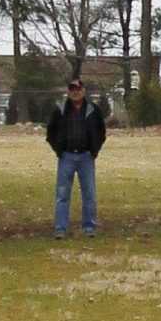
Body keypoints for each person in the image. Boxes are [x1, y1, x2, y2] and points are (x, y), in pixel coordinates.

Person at [45, 72, 105, 238]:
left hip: (86, 157)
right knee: (62, 194)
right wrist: (59, 150)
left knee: (89, 194)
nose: (75, 92)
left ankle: (89, 227)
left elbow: (101, 132)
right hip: (67, 157)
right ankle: (60, 228)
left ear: (83, 90)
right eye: (72, 89)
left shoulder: (93, 110)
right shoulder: (60, 109)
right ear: (68, 91)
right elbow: (50, 132)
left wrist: (94, 150)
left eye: (78, 88)